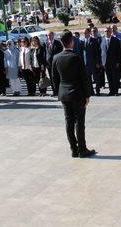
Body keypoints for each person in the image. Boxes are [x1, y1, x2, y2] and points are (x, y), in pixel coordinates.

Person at [51, 30, 96, 158]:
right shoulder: (76, 57)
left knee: (69, 122)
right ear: (71, 42)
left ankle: (74, 150)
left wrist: (59, 92)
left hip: (64, 94)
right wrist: (87, 95)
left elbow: (55, 79)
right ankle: (82, 150)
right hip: (77, 94)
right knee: (79, 122)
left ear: (61, 42)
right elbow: (84, 78)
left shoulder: (56, 58)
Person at [101, 26, 121, 96]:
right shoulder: (101, 40)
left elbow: (118, 52)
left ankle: (116, 91)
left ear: (111, 32)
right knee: (109, 77)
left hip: (114, 62)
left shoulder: (116, 40)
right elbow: (101, 52)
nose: (107, 32)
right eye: (105, 31)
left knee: (114, 77)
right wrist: (102, 62)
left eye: (108, 31)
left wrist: (118, 62)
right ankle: (111, 91)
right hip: (105, 62)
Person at [84, 27, 103, 94]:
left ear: (89, 33)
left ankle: (97, 90)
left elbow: (98, 52)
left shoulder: (94, 40)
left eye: (85, 33)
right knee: (88, 79)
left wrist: (98, 62)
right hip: (86, 64)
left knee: (96, 78)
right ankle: (91, 91)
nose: (84, 34)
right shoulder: (83, 41)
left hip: (94, 63)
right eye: (84, 33)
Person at [44, 32, 63, 96]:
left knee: (57, 77)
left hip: (56, 63)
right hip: (49, 64)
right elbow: (46, 54)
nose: (49, 36)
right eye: (48, 35)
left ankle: (59, 91)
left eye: (50, 35)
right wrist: (45, 63)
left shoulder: (57, 43)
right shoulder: (46, 43)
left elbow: (60, 53)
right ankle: (54, 91)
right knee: (52, 78)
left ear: (53, 35)